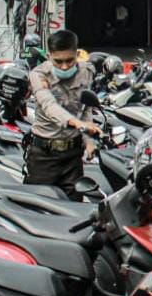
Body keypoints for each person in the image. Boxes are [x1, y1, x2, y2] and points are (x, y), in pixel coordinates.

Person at [26, 29, 100, 199]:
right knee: (41, 211)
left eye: (69, 60)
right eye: (58, 61)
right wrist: (77, 123)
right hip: (43, 156)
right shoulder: (38, 74)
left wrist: (88, 140)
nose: (64, 66)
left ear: (77, 53)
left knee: (74, 211)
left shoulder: (86, 72)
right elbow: (49, 105)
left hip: (72, 156)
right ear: (50, 55)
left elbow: (85, 108)